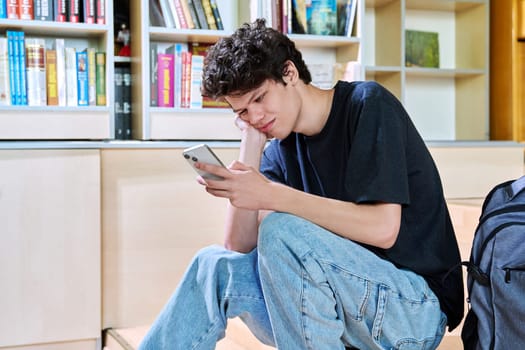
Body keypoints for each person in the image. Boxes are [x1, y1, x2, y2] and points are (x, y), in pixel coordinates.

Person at [139, 19, 464, 350]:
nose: (255, 115)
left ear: (289, 73)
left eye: (260, 98)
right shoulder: (280, 147)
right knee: (212, 264)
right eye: (242, 112)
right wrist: (251, 146)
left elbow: (383, 228)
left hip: (414, 310)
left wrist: (272, 195)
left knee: (280, 228)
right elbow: (237, 247)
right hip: (338, 304)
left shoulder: (366, 104)